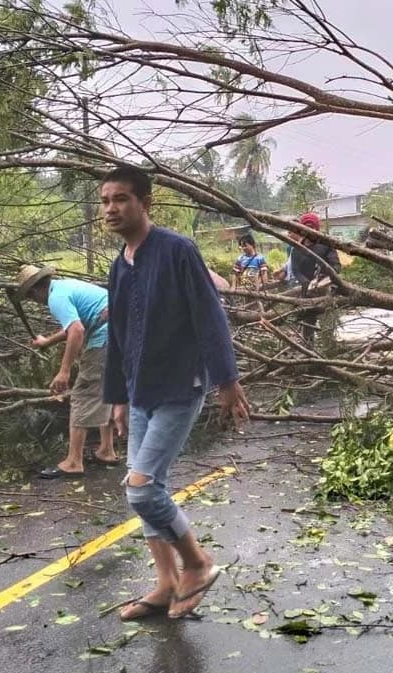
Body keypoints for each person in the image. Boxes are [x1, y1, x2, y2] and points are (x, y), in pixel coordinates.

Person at [100, 166, 250, 621]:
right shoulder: (120, 263)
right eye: (105, 200)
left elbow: (209, 317)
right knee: (142, 492)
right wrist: (118, 399)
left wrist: (228, 381)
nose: (111, 208)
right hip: (139, 390)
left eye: (121, 199)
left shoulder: (177, 250)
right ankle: (165, 583)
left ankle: (198, 563)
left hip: (179, 387)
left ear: (146, 203)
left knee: (144, 491)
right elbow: (119, 336)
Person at [14, 265, 117, 478]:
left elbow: (77, 330)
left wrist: (64, 371)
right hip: (120, 331)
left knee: (83, 395)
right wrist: (47, 341)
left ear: (34, 291)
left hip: (106, 337)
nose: (35, 301)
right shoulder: (64, 287)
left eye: (31, 297)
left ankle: (73, 462)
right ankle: (106, 450)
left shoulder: (56, 298)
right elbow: (77, 325)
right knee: (107, 390)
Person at [289, 212, 342, 344]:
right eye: (306, 227)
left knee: (327, 324)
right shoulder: (297, 248)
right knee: (308, 324)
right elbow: (295, 270)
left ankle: (330, 349)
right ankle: (308, 349)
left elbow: (336, 267)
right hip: (307, 292)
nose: (309, 230)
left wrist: (323, 281)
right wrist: (306, 282)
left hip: (326, 290)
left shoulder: (326, 245)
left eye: (312, 227)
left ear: (317, 228)